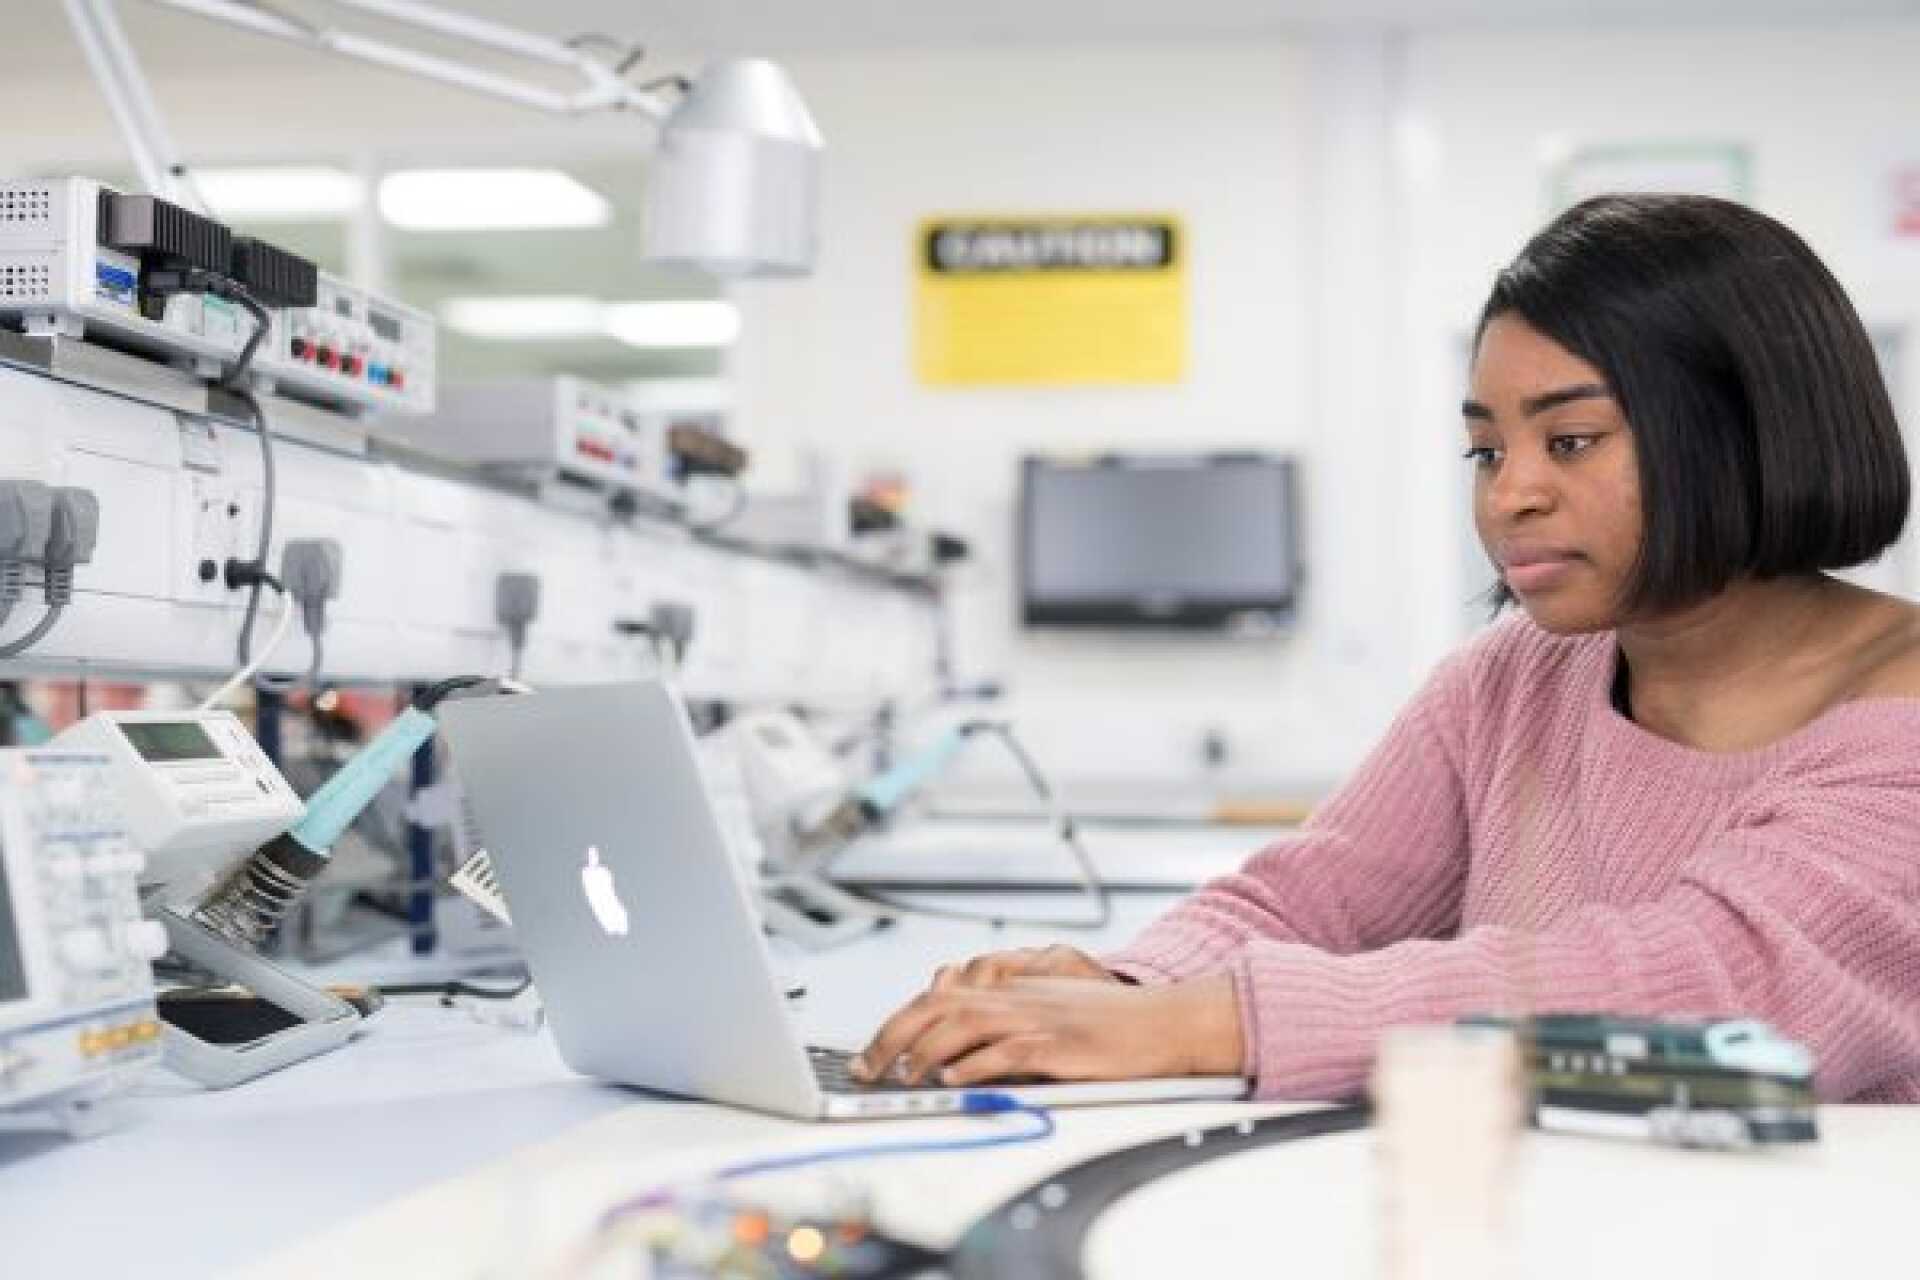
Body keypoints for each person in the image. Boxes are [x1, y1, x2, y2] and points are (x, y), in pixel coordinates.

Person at [855, 193, 1920, 1103]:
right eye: (1486, 447)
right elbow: (1310, 901)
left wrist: (1202, 1023)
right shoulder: (1510, 678)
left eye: (1573, 438)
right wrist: (1118, 989)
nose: (1511, 493)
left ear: (1751, 430)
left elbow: (1703, 988)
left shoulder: (1902, 708)